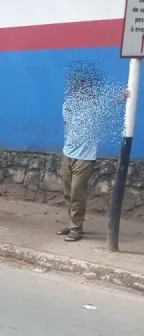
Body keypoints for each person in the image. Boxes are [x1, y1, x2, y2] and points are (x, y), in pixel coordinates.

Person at [59, 72, 127, 242]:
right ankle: (74, 224)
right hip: (67, 154)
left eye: (81, 87)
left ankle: (76, 229)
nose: (76, 90)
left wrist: (124, 93)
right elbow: (68, 126)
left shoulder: (96, 108)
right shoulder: (67, 105)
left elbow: (114, 100)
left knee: (77, 193)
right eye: (74, 87)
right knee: (68, 193)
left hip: (85, 158)